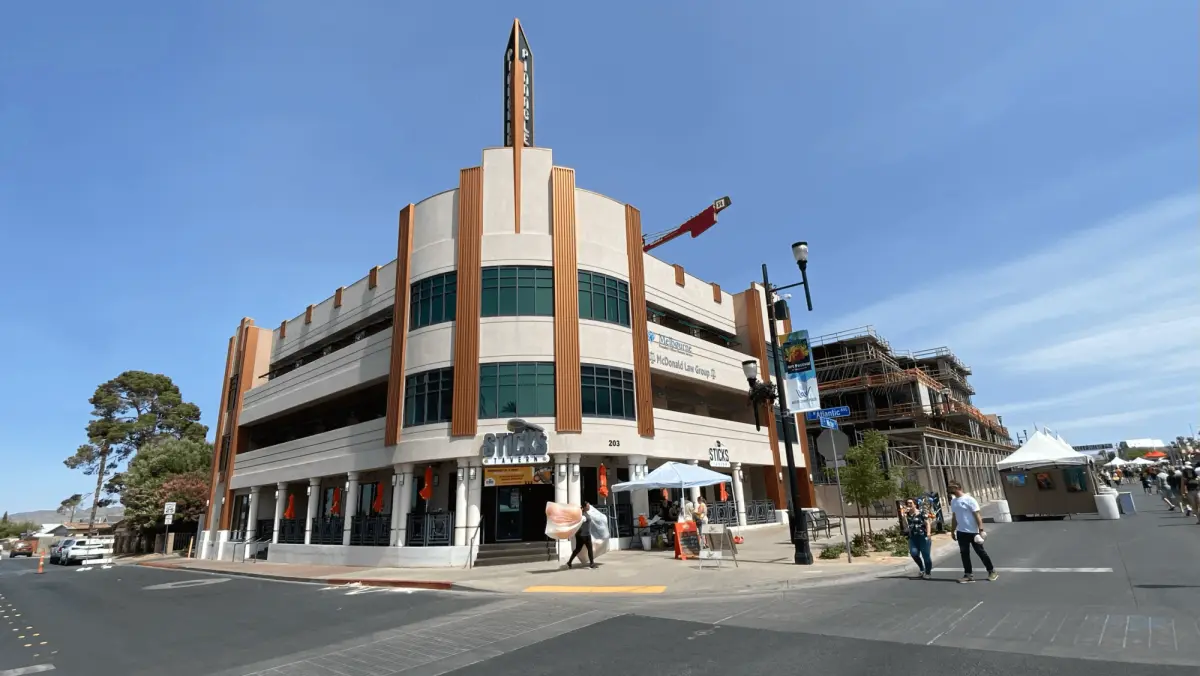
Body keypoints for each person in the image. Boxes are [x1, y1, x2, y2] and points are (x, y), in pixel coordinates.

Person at [948, 481, 997, 583]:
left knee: (980, 552)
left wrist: (981, 530)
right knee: (964, 553)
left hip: (973, 532)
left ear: (957, 487)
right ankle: (968, 575)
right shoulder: (953, 501)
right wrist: (952, 530)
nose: (949, 489)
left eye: (951, 487)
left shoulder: (969, 500)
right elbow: (954, 517)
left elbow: (977, 515)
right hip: (961, 532)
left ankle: (992, 571)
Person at [902, 498, 933, 579]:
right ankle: (922, 569)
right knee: (914, 553)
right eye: (907, 503)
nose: (908, 505)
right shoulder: (907, 515)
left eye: (910, 503)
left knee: (926, 555)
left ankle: (928, 572)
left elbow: (927, 523)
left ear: (915, 504)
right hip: (913, 537)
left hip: (923, 536)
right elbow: (906, 526)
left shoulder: (921, 513)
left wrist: (929, 533)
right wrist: (904, 517)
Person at [566, 502, 597, 569]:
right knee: (582, 549)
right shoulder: (581, 514)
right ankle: (591, 563)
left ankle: (570, 562)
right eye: (588, 506)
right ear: (584, 507)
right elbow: (577, 523)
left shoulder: (586, 513)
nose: (589, 507)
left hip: (586, 534)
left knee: (582, 549)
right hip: (582, 535)